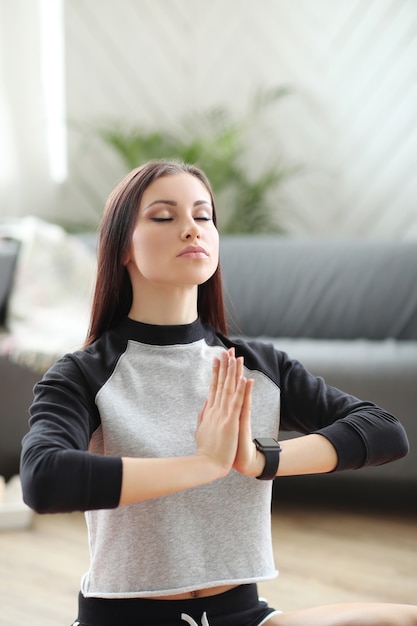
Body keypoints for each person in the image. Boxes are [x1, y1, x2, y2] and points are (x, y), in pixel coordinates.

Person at [20, 159, 417, 626]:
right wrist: (203, 465)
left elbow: (385, 431)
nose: (191, 229)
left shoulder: (259, 365)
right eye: (165, 217)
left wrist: (258, 460)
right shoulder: (84, 374)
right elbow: (43, 478)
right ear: (122, 247)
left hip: (242, 615)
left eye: (203, 215)